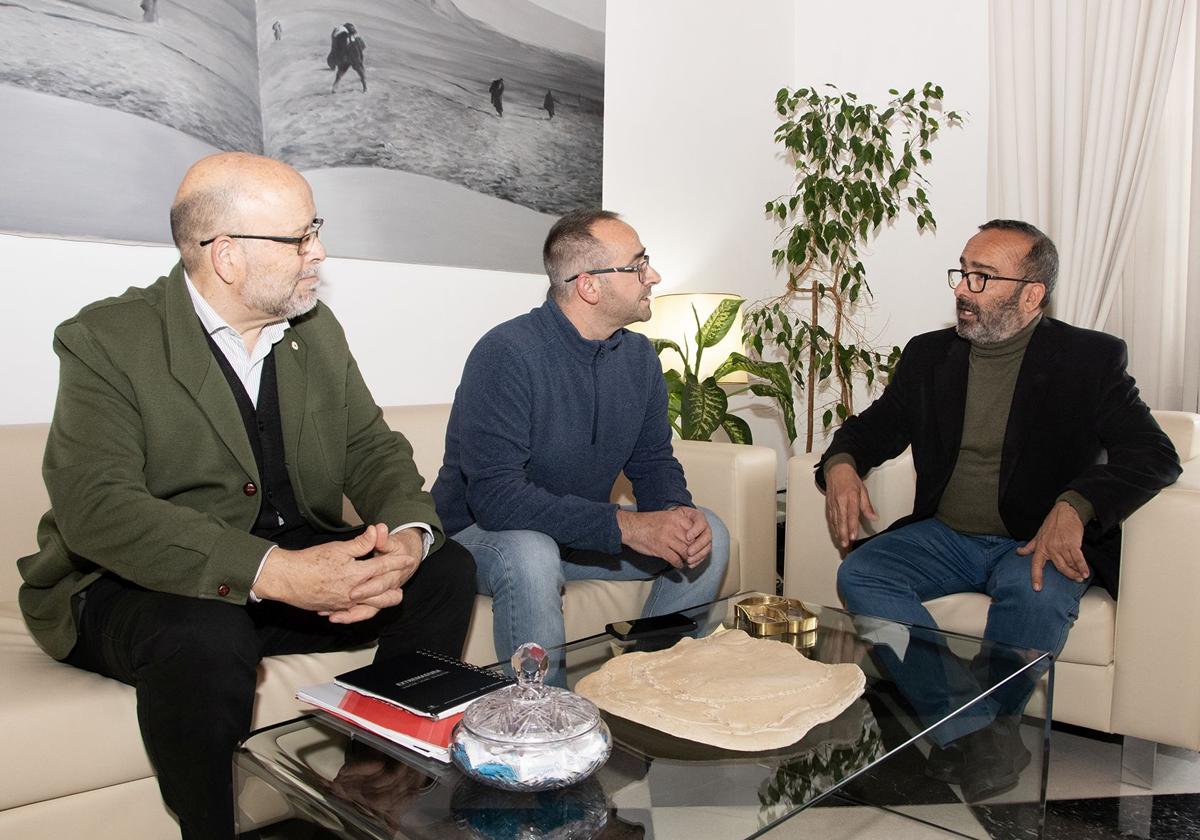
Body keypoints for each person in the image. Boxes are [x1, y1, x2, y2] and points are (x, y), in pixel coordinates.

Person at [17, 152, 477, 840]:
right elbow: (98, 507)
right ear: (226, 255)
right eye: (299, 238)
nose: (318, 253)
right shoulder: (107, 339)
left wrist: (410, 535)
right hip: (137, 581)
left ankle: (368, 796)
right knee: (206, 634)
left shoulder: (314, 332)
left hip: (279, 563)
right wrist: (276, 573)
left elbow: (370, 450)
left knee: (446, 570)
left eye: (314, 230)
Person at [817, 219, 1181, 801]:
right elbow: (873, 429)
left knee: (1035, 595)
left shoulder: (1088, 360)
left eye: (981, 278)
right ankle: (977, 729)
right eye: (962, 272)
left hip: (1034, 538)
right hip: (946, 534)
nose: (962, 289)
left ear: (1031, 293)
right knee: (862, 574)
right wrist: (840, 464)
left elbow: (1154, 454)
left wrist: (1075, 504)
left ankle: (966, 732)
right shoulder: (929, 355)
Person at [432, 209, 730, 685]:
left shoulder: (639, 359)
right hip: (479, 535)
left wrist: (676, 513)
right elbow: (496, 499)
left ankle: (648, 684)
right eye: (637, 266)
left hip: (573, 535)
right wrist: (626, 527)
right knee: (532, 554)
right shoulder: (506, 354)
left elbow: (654, 462)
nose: (652, 276)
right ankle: (545, 721)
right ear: (589, 286)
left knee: (708, 532)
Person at [329, 22, 367, 93]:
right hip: (355, 58)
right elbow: (362, 46)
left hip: (345, 58)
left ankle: (334, 88)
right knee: (361, 72)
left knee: (340, 73)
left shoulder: (341, 37)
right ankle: (365, 88)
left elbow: (335, 49)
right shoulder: (356, 37)